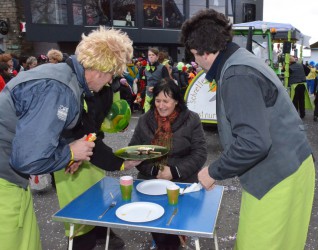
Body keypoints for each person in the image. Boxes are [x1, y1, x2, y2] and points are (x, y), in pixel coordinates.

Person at [180, 9, 315, 250]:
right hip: (294, 165)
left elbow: (254, 143)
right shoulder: (241, 59)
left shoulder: (236, 74)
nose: (195, 62)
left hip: (276, 177)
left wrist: (213, 171)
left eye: (194, 55)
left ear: (204, 52)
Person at [0, 26, 133, 250]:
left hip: (13, 179)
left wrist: (70, 155)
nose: (110, 82)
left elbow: (45, 132)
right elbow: (27, 158)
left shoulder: (64, 78)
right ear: (101, 69)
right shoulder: (58, 88)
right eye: (112, 75)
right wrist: (71, 152)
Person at [56, 83, 141, 250]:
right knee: (78, 210)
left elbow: (103, 118)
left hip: (92, 146)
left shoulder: (108, 85)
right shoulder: (70, 88)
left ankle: (102, 232)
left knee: (99, 197)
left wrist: (118, 120)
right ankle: (80, 239)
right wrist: (120, 162)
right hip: (71, 152)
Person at [129, 78, 207, 249]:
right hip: (150, 181)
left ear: (177, 101)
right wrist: (154, 170)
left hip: (183, 181)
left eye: (166, 101)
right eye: (157, 100)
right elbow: (134, 151)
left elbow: (200, 153)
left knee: (175, 224)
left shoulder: (191, 119)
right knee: (156, 222)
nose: (161, 106)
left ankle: (174, 238)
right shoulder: (144, 120)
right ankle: (161, 239)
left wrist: (174, 171)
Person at [143, 47, 169, 112]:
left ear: (157, 57)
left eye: (153, 55)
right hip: (148, 97)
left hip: (159, 96)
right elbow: (145, 83)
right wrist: (141, 95)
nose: (151, 57)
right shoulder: (146, 69)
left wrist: (156, 87)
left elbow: (167, 83)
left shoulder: (163, 68)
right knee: (147, 117)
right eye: (149, 55)